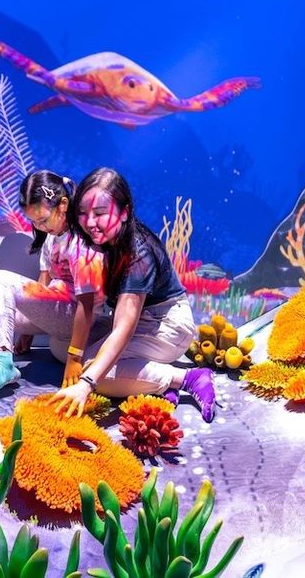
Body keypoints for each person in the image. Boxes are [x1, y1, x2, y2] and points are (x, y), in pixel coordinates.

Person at [48, 167, 217, 422]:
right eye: (83, 213)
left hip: (167, 325)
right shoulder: (97, 238)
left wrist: (86, 384)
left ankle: (186, 379)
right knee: (59, 347)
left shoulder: (138, 254)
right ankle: (146, 385)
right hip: (140, 322)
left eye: (100, 213)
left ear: (124, 212)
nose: (90, 222)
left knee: (89, 370)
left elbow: (123, 330)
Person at [0, 170, 107, 397]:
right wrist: (27, 332)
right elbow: (43, 285)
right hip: (56, 312)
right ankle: (1, 366)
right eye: (34, 222)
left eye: (43, 220)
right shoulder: (52, 238)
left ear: (63, 205)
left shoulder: (81, 243)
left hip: (77, 318)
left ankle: (2, 362)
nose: (40, 227)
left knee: (0, 279)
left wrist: (74, 356)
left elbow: (87, 304)